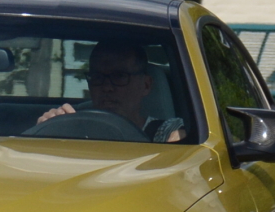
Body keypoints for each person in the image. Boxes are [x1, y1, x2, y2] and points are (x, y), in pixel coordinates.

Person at [37, 39, 184, 140]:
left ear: (146, 85)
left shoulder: (166, 133)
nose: (106, 87)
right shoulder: (71, 129)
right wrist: (48, 131)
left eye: (119, 76)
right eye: (97, 77)